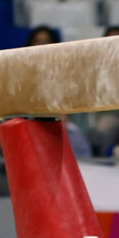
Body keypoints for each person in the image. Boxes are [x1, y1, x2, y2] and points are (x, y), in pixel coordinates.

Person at [24, 23, 91, 159]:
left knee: (70, 133)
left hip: (62, 120)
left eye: (46, 41)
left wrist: (64, 113)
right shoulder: (23, 71)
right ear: (30, 44)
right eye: (38, 41)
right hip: (32, 121)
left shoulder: (64, 69)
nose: (41, 46)